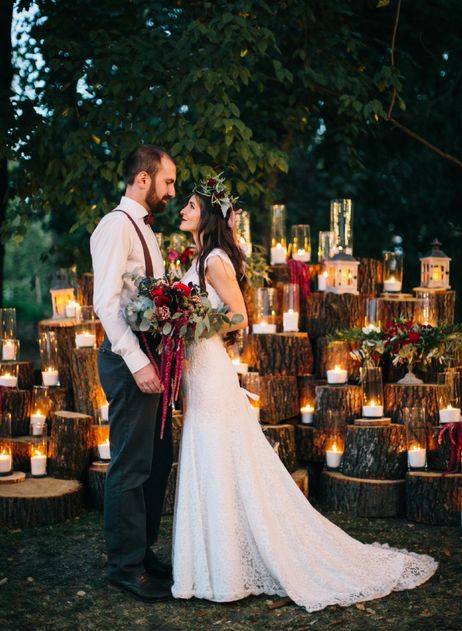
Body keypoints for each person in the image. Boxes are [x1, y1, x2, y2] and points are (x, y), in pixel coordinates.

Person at [171, 174, 438, 612]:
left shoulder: (215, 260)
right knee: (211, 455)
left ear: (210, 216)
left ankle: (225, 570)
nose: (183, 211)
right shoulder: (203, 257)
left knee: (219, 454)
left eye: (192, 207)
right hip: (199, 371)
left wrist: (194, 327)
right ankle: (212, 567)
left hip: (210, 369)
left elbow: (237, 315)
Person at [90, 145, 176, 602]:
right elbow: (105, 303)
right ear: (143, 178)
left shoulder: (144, 229)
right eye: (168, 181)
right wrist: (139, 361)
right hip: (128, 361)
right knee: (131, 463)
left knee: (158, 458)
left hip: (151, 356)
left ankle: (142, 552)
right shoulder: (113, 227)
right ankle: (124, 567)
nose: (172, 191)